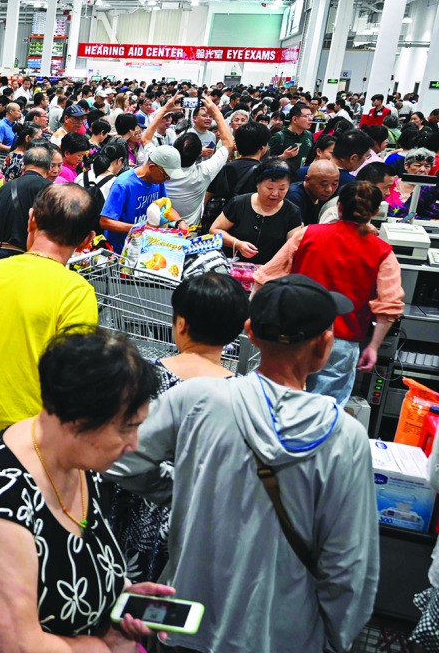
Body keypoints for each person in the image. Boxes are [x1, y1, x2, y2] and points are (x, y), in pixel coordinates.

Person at [107, 274, 378, 653]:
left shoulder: (197, 400)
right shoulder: (344, 437)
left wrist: (183, 488)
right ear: (324, 345)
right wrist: (335, 637)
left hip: (183, 624)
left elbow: (120, 461)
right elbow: (350, 564)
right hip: (282, 635)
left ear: (249, 332)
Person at [0, 330, 169, 653]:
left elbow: (80, 558)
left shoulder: (80, 463)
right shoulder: (0, 496)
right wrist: (104, 647)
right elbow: (21, 645)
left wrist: (119, 596)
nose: (134, 444)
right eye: (125, 428)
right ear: (77, 421)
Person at [103, 273, 249, 583]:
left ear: (180, 324)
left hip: (133, 508)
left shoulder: (139, 375)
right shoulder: (240, 394)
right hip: (198, 520)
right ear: (237, 331)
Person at [0, 184, 101, 470]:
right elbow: (74, 384)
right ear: (88, 240)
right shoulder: (77, 293)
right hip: (33, 453)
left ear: (32, 219)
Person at [255, 181, 404, 406]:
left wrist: (254, 321)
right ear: (375, 212)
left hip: (292, 333)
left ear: (339, 208)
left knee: (276, 400)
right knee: (324, 409)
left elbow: (265, 277)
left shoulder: (307, 234)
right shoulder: (382, 252)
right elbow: (389, 305)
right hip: (341, 341)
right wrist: (373, 347)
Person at [210, 161, 302, 266]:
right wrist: (237, 243)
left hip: (269, 273)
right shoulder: (239, 203)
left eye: (282, 189)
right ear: (257, 184)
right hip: (235, 270)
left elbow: (293, 247)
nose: (275, 193)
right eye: (269, 188)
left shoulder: (292, 212)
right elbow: (214, 230)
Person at [164, 99, 235, 226]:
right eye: (204, 116)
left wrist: (164, 109)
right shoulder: (204, 171)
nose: (208, 119)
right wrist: (217, 113)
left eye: (210, 116)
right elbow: (228, 144)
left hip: (164, 225)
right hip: (189, 225)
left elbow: (146, 140)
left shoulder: (163, 171)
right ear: (194, 118)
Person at [100, 146, 187, 250]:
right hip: (121, 250)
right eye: (166, 175)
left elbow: (164, 208)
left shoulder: (158, 182)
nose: (167, 179)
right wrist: (138, 228)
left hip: (145, 246)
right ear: (152, 167)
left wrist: (179, 222)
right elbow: (105, 222)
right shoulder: (124, 184)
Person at [286, 159, 341, 225]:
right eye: (324, 184)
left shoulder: (320, 195)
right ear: (307, 179)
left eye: (334, 184)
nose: (329, 189)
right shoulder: (293, 196)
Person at [270, 104, 315, 172]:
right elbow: (267, 162)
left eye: (311, 115)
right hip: (284, 177)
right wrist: (284, 156)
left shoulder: (309, 135)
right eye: (306, 116)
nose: (310, 119)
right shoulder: (279, 137)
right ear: (294, 119)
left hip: (302, 178)